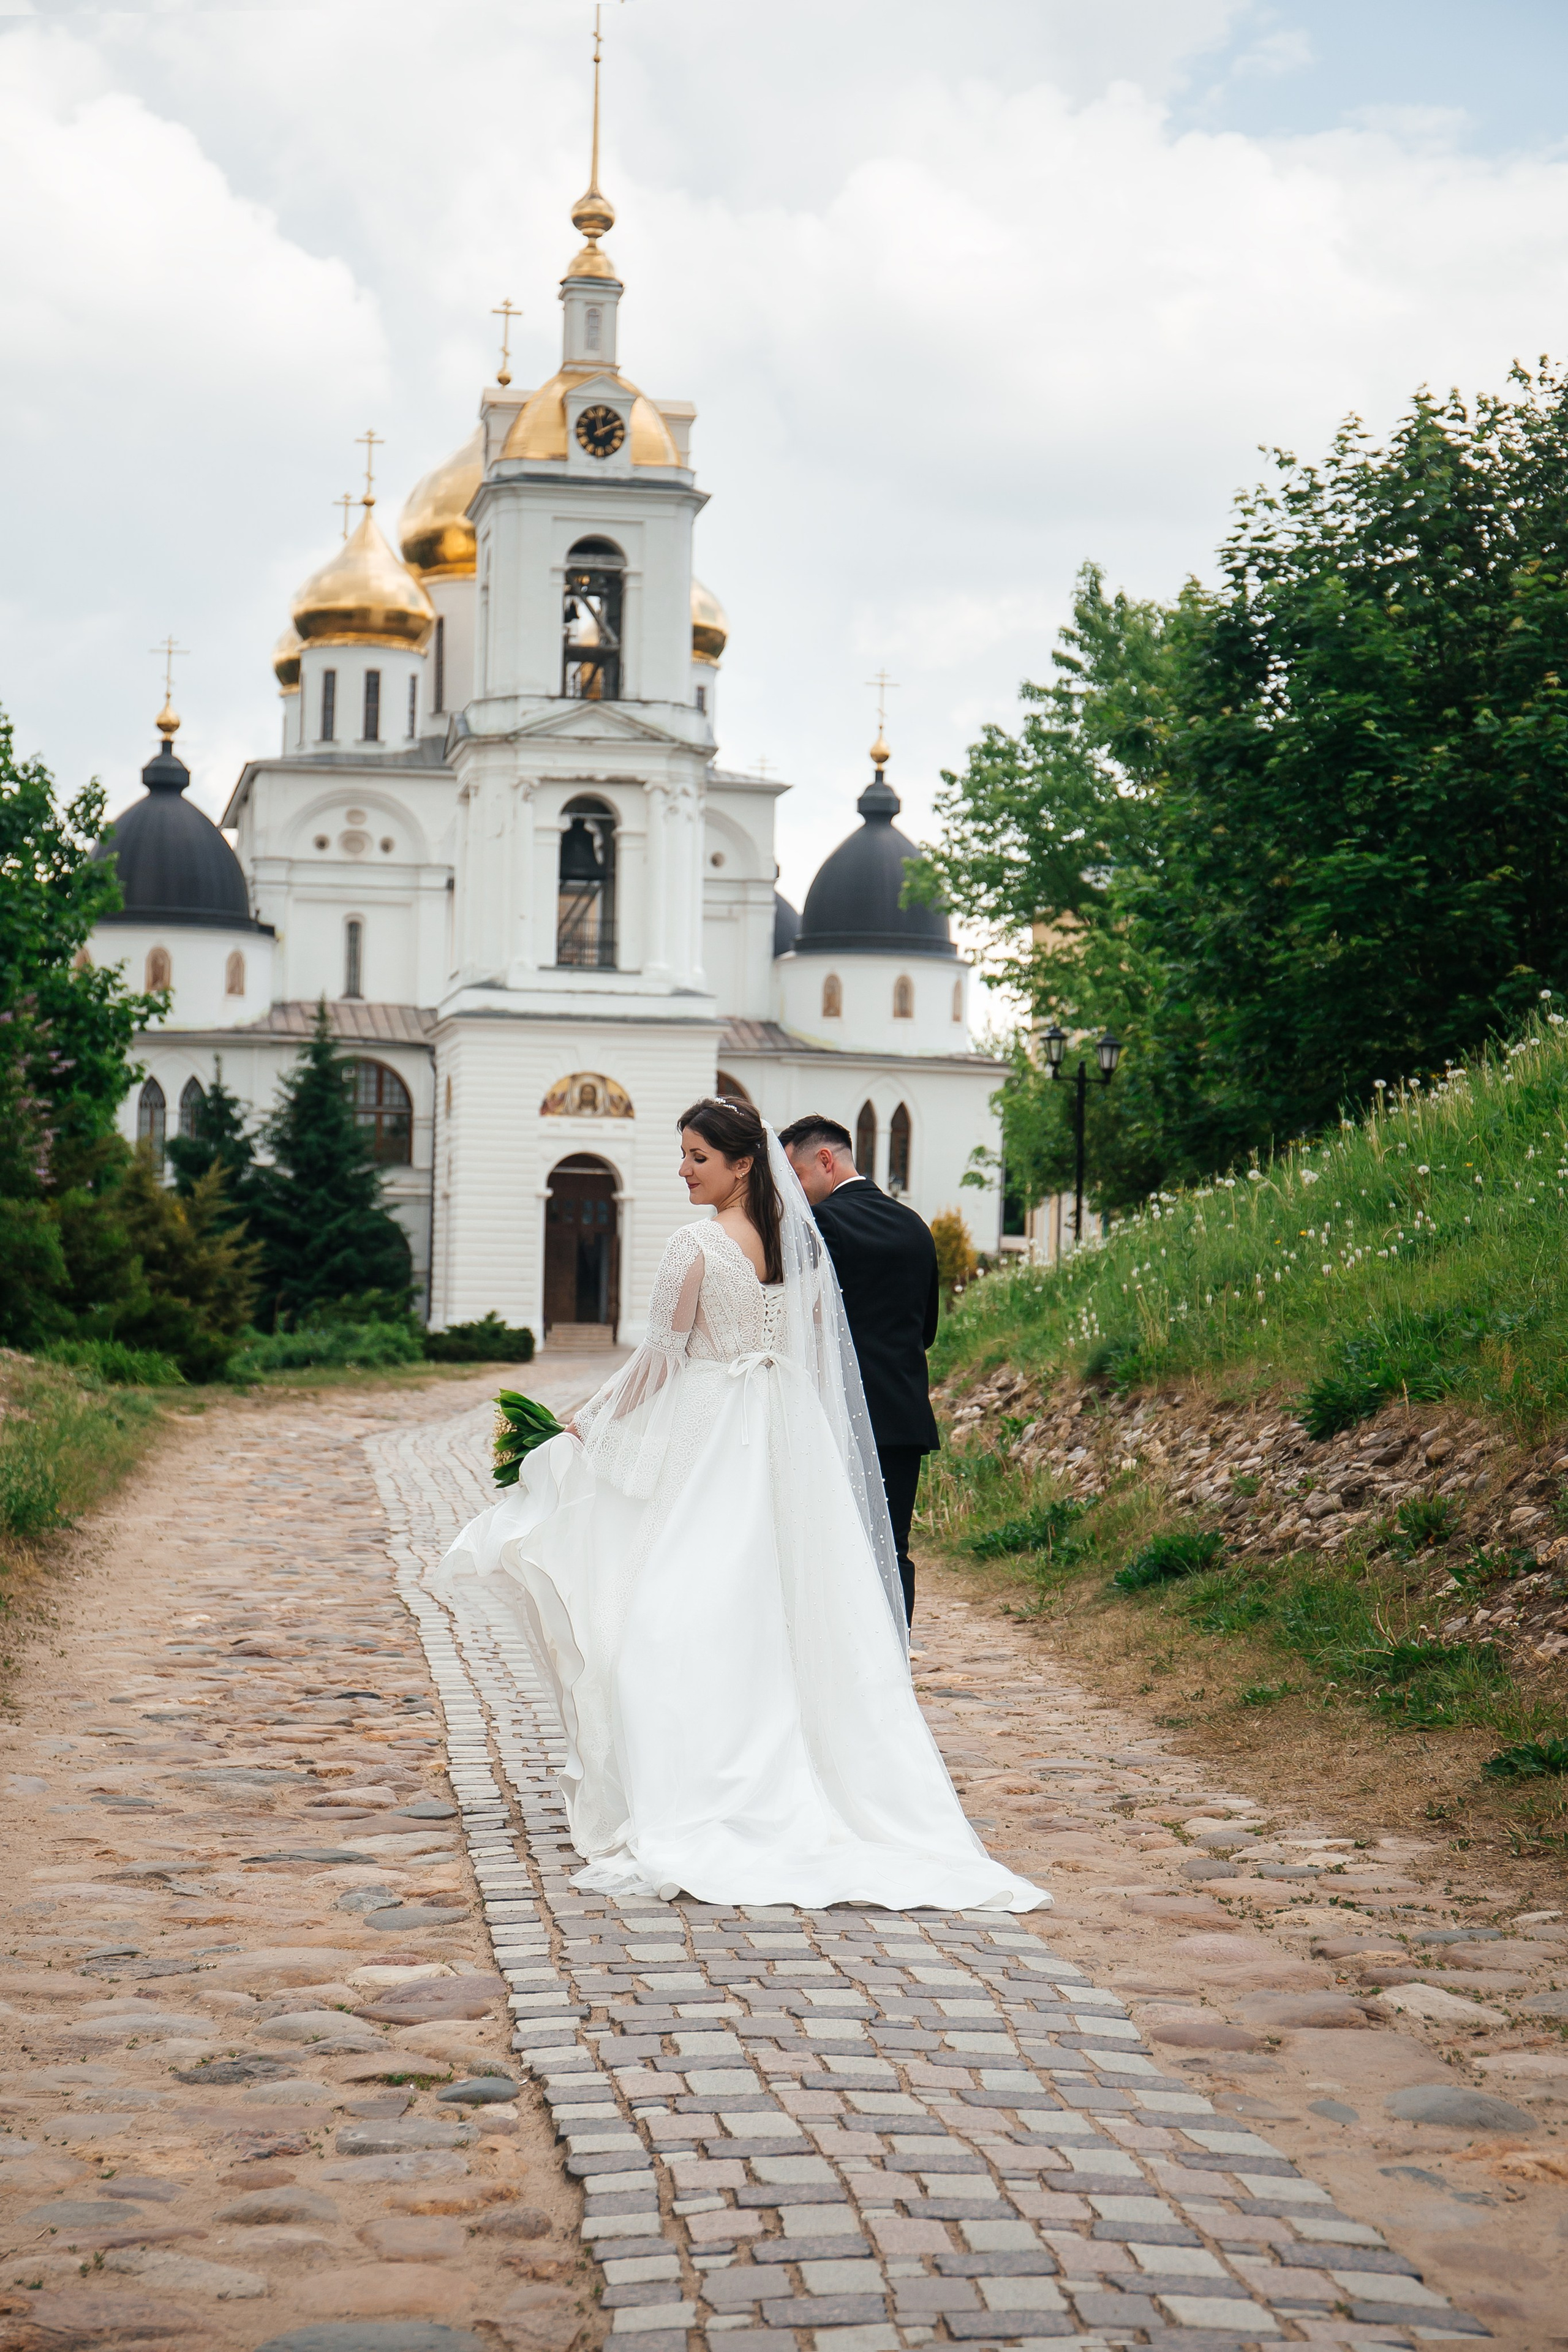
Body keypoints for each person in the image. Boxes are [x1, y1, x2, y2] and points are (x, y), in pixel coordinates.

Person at [439, 1096, 1044, 1915]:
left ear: (742, 1165)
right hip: (786, 1432)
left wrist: (585, 1424)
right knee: (774, 1604)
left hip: (714, 1432)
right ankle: (788, 1771)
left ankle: (699, 1783)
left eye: (695, 1157)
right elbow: (813, 1349)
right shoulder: (802, 1253)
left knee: (675, 1604)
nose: (681, 1170)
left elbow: (658, 1362)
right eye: (682, 1154)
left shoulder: (694, 1245)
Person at [778, 1114, 938, 1624]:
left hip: (841, 1417)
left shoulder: (824, 1224)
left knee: (838, 1551)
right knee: (892, 1551)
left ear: (825, 1161)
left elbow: (799, 1322)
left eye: (796, 1178)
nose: (796, 1196)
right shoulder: (916, 1225)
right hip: (904, 1419)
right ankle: (896, 1663)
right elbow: (928, 1329)